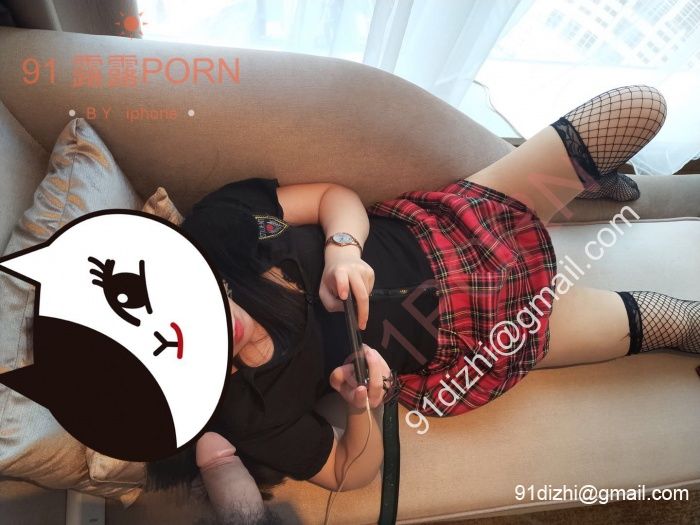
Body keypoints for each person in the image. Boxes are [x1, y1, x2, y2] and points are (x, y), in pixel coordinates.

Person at [146, 85, 696, 517]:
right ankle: (585, 184)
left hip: (462, 225)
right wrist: (363, 407)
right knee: (681, 325)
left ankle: (585, 179)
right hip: (492, 337)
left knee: (641, 107)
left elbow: (332, 196)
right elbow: (349, 473)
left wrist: (343, 247)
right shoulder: (245, 412)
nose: (218, 329)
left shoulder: (216, 232)